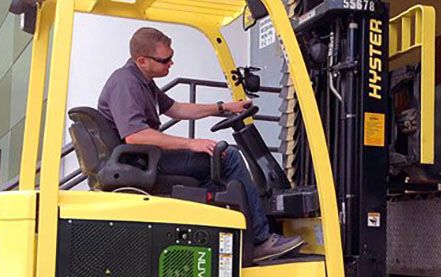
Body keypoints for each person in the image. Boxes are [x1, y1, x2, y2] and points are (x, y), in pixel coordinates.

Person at [98, 27, 304, 263]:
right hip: (143, 162)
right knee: (228, 156)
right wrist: (191, 143)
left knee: (214, 170)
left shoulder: (143, 80)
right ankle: (260, 240)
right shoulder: (126, 83)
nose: (171, 63)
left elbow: (177, 109)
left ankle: (232, 238)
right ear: (142, 60)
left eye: (171, 56)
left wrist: (223, 107)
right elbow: (136, 136)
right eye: (165, 60)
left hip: (146, 159)